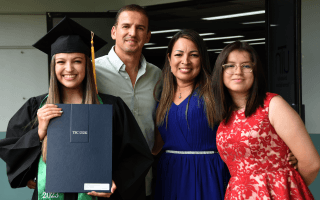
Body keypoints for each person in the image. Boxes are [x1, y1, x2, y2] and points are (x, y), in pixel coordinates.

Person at [0, 17, 153, 200]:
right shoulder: (36, 107)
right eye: (61, 62)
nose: (69, 68)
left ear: (87, 64)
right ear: (53, 66)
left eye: (77, 61)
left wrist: (117, 181)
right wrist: (39, 133)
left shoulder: (111, 107)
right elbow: (11, 149)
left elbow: (137, 154)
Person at [213, 41, 320, 199]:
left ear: (255, 72)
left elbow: (311, 164)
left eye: (246, 66)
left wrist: (287, 189)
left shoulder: (273, 105)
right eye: (229, 65)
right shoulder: (226, 114)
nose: (238, 71)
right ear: (220, 73)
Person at [151, 29, 230, 200]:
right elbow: (156, 145)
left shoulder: (216, 94)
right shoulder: (161, 96)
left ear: (202, 59)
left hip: (207, 174)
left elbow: (244, 126)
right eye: (178, 54)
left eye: (193, 55)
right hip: (170, 175)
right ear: (169, 58)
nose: (185, 61)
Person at [95, 4, 162, 199]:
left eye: (140, 28)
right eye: (126, 26)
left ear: (148, 36)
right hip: (107, 180)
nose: (132, 33)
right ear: (114, 31)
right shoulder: (92, 72)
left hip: (145, 177)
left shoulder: (157, 75)